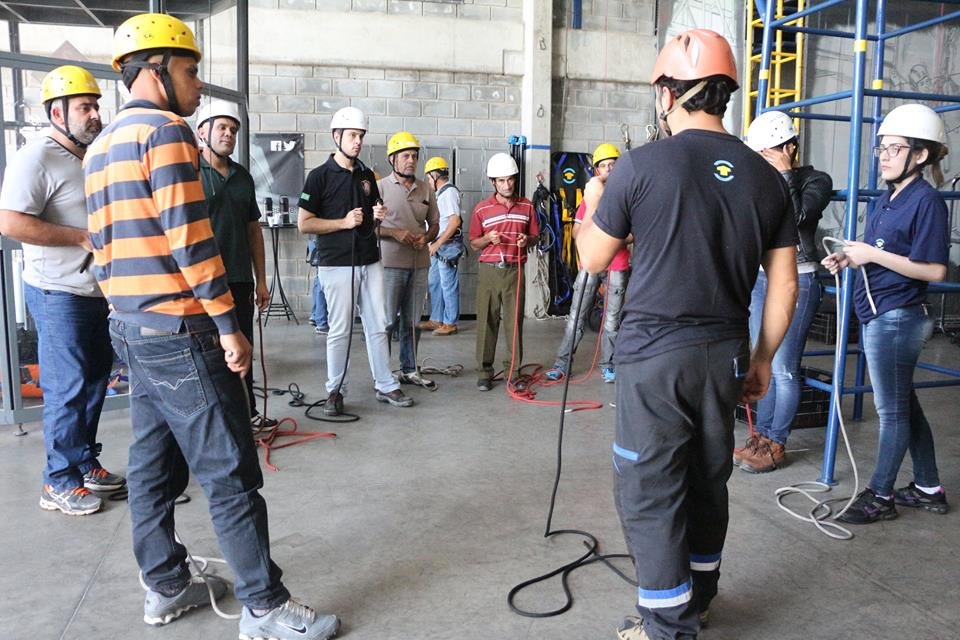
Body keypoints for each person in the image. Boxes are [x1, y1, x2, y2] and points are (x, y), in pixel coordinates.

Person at [85, 13, 339, 639]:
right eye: (190, 71)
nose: (198, 86)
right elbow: (192, 240)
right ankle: (265, 606)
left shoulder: (99, 147)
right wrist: (229, 326)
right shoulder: (168, 133)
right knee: (230, 469)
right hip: (182, 329)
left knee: (152, 462)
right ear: (154, 71)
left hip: (133, 327)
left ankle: (165, 585)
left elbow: (100, 245)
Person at [576, 29, 798, 640]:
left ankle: (667, 627)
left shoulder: (640, 166)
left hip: (654, 361)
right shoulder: (767, 179)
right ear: (725, 93)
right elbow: (783, 289)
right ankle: (698, 598)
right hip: (723, 355)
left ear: (666, 95)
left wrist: (591, 203)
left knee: (650, 489)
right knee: (706, 479)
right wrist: (760, 362)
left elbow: (594, 258)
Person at [0, 65, 123, 517]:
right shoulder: (36, 157)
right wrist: (78, 237)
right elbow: (10, 222)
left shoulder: (85, 157)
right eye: (84, 107)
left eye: (95, 106)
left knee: (93, 382)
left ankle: (84, 462)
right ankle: (58, 481)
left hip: (92, 291)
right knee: (68, 388)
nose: (95, 114)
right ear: (57, 112)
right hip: (57, 293)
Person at [823, 103, 950, 524]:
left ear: (921, 154)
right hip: (878, 312)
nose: (884, 156)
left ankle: (879, 496)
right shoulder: (887, 197)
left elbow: (933, 269)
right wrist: (849, 258)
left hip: (899, 317)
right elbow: (879, 253)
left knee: (892, 412)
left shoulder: (927, 201)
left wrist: (871, 255)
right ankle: (929, 487)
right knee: (905, 406)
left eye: (894, 149)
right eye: (882, 148)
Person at [735, 110, 833, 473]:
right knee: (762, 358)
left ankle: (776, 443)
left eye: (770, 152)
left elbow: (797, 219)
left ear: (790, 147)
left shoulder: (815, 180)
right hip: (762, 280)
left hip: (801, 279)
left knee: (783, 367)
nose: (764, 161)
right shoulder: (760, 180)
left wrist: (785, 175)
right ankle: (761, 436)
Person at [297, 107, 413, 415]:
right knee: (340, 329)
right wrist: (342, 222)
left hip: (370, 259)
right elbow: (304, 223)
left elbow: (372, 217)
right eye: (352, 136)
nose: (357, 142)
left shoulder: (366, 176)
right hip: (335, 263)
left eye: (360, 136)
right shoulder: (318, 177)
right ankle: (335, 390)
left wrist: (378, 217)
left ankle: (386, 385)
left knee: (378, 323)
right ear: (336, 137)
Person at [196, 98, 277, 434]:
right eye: (222, 128)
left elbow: (252, 229)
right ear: (203, 132)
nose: (228, 134)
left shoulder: (242, 177)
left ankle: (247, 414)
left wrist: (261, 280)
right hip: (202, 283)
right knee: (207, 354)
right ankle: (212, 423)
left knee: (242, 348)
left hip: (240, 280)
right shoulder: (189, 173)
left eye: (233, 129)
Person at [544, 142, 629, 383]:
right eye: (604, 165)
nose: (610, 169)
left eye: (614, 164)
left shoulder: (627, 198)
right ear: (596, 171)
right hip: (590, 265)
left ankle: (608, 365)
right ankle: (562, 365)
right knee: (576, 316)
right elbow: (575, 232)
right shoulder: (589, 198)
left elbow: (634, 234)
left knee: (613, 319)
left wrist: (609, 237)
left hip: (617, 265)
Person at [469, 152, 539, 392]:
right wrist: (488, 238)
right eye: (501, 180)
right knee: (486, 322)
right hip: (489, 271)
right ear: (492, 182)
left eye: (510, 179)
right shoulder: (481, 210)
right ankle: (484, 372)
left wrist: (526, 240)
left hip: (514, 270)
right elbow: (473, 243)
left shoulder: (527, 205)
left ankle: (514, 372)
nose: (507, 185)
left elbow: (535, 236)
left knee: (514, 322)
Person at [377, 131, 439, 388]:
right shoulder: (380, 188)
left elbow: (435, 223)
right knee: (387, 321)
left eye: (414, 156)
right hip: (390, 265)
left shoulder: (426, 189)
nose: (411, 160)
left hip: (419, 264)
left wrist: (427, 237)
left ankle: (409, 369)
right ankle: (382, 373)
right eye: (405, 156)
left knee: (412, 321)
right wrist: (395, 233)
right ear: (393, 159)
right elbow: (369, 227)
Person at [419, 155, 464, 336]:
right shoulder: (441, 193)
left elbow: (455, 222)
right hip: (437, 246)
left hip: (446, 246)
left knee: (448, 284)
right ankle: (436, 318)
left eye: (429, 177)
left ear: (436, 174)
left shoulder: (449, 193)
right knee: (435, 282)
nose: (428, 180)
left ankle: (450, 322)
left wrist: (437, 243)